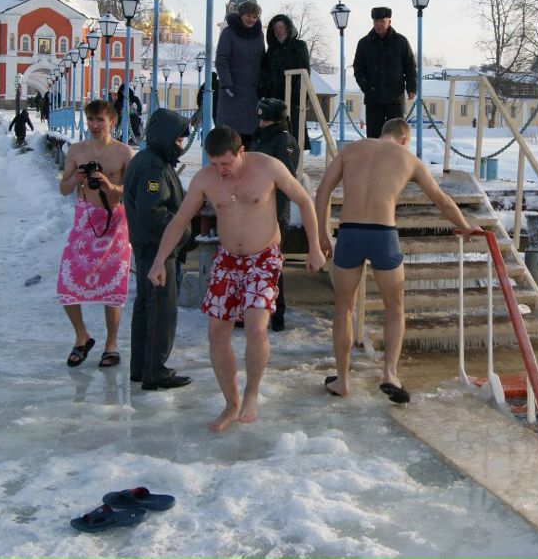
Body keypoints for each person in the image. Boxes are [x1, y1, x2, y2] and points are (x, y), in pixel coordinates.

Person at [148, 125, 325, 432]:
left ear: (241, 152)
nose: (221, 170)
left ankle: (251, 393)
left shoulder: (268, 167)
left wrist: (315, 248)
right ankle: (230, 403)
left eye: (226, 163)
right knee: (217, 332)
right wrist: (159, 261)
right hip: (228, 258)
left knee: (256, 327)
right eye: (215, 164)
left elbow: (304, 201)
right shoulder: (206, 178)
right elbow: (179, 221)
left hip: (264, 255)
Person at [314, 117, 479, 404]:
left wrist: (322, 234)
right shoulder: (409, 159)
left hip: (350, 233)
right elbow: (441, 200)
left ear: (381, 133)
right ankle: (390, 373)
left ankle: (342, 379)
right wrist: (464, 226)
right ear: (405, 138)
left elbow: (323, 191)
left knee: (343, 308)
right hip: (383, 235)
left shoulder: (351, 149)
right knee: (395, 309)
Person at [56, 99, 133, 369]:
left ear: (112, 121)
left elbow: (132, 191)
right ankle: (82, 337)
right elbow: (63, 190)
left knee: (113, 285)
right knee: (67, 285)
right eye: (90, 120)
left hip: (115, 224)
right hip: (84, 220)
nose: (94, 125)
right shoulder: (76, 151)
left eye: (100, 120)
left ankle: (111, 344)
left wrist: (111, 185)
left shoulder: (124, 153)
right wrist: (75, 179)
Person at [122, 107, 194, 391]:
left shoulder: (151, 161)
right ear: (166, 137)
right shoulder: (153, 166)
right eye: (178, 139)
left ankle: (142, 367)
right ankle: (155, 370)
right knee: (160, 311)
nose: (181, 145)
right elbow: (152, 212)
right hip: (156, 249)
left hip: (149, 247)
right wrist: (184, 229)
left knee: (146, 307)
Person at [248, 97, 301, 332]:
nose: (261, 122)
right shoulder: (262, 138)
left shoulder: (284, 142)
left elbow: (285, 185)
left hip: (273, 215)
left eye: (265, 118)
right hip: (254, 212)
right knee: (252, 265)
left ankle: (277, 315)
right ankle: (250, 311)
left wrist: (275, 218)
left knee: (272, 268)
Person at [353, 7, 416, 139]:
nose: (379, 25)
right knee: (374, 137)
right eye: (376, 21)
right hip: (373, 99)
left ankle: (396, 160)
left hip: (395, 99)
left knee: (397, 136)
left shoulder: (401, 42)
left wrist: (411, 88)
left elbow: (410, 66)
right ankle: (376, 160)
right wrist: (366, 88)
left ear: (389, 22)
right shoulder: (364, 43)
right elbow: (358, 69)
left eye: (382, 21)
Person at [215, 0, 265, 147]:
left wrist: (263, 83)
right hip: (233, 90)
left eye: (254, 17)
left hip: (252, 91)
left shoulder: (258, 35)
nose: (251, 19)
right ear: (241, 15)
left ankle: (247, 166)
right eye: (248, 15)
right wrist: (227, 84)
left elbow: (262, 59)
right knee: (231, 135)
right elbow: (222, 60)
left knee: (251, 134)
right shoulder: (229, 33)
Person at [260, 13, 311, 145]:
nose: (279, 31)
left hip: (293, 97)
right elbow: (265, 74)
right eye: (276, 28)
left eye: (281, 27)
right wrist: (264, 93)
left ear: (287, 28)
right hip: (275, 99)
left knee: (294, 134)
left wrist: (302, 96)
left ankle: (293, 163)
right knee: (276, 136)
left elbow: (304, 71)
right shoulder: (271, 52)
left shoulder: (299, 46)